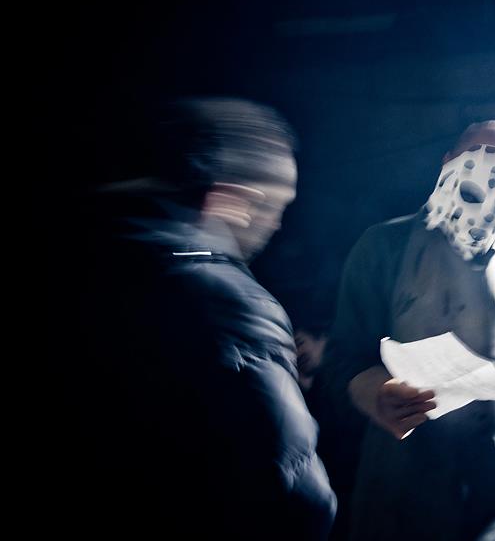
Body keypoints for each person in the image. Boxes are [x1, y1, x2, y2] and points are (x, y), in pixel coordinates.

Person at [322, 120, 495, 541]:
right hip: (402, 504)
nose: (484, 208)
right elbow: (344, 359)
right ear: (446, 164)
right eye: (471, 186)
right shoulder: (382, 249)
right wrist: (378, 394)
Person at [76, 98, 336, 538]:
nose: (276, 225)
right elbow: (294, 491)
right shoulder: (231, 303)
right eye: (273, 207)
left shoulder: (90, 258)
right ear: (229, 200)